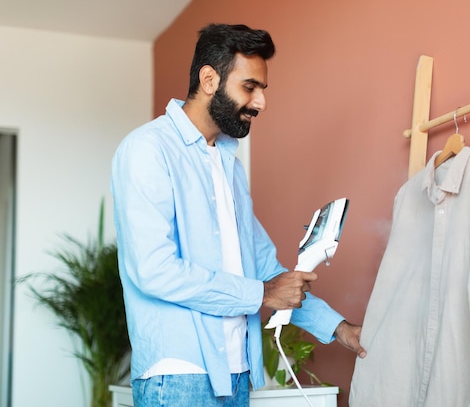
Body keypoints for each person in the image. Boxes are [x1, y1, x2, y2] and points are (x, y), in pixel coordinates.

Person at [111, 23, 366, 407]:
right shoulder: (148, 149)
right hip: (179, 376)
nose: (260, 102)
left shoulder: (229, 165)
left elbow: (265, 269)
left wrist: (341, 329)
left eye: (262, 90)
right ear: (209, 79)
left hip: (237, 374)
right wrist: (263, 293)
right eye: (250, 87)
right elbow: (154, 269)